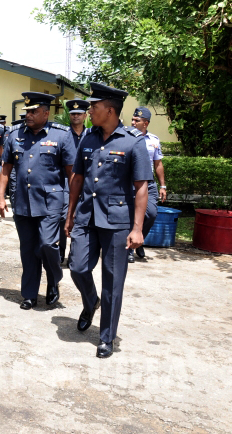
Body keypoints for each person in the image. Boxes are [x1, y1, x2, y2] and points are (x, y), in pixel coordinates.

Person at [65, 82, 152, 358]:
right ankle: (91, 301)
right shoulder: (88, 138)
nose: (89, 110)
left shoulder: (133, 141)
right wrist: (70, 214)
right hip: (87, 215)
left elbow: (141, 187)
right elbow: (77, 178)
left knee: (113, 281)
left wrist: (137, 229)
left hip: (117, 221)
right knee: (77, 267)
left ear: (110, 111)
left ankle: (106, 337)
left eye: (94, 106)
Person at [0, 92, 76, 310]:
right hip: (23, 201)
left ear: (46, 113)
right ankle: (30, 294)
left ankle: (53, 280)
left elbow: (72, 174)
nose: (28, 115)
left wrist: (73, 205)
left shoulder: (62, 135)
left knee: (47, 244)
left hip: (51, 202)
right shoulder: (15, 134)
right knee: (28, 250)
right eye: (27, 111)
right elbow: (6, 168)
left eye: (33, 111)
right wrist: (0, 196)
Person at [128, 106, 166, 262]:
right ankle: (129, 248)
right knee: (130, 214)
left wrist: (163, 186)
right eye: (132, 119)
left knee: (151, 213)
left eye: (137, 120)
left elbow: (158, 164)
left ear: (146, 123)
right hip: (129, 182)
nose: (133, 122)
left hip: (148, 183)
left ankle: (139, 239)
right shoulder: (126, 137)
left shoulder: (154, 140)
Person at [59, 99, 91, 263]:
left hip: (86, 184)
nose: (75, 116)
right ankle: (60, 253)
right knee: (64, 216)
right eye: (73, 114)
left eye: (79, 114)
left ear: (85, 116)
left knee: (81, 219)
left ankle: (75, 255)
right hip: (66, 183)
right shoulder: (63, 135)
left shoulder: (91, 136)